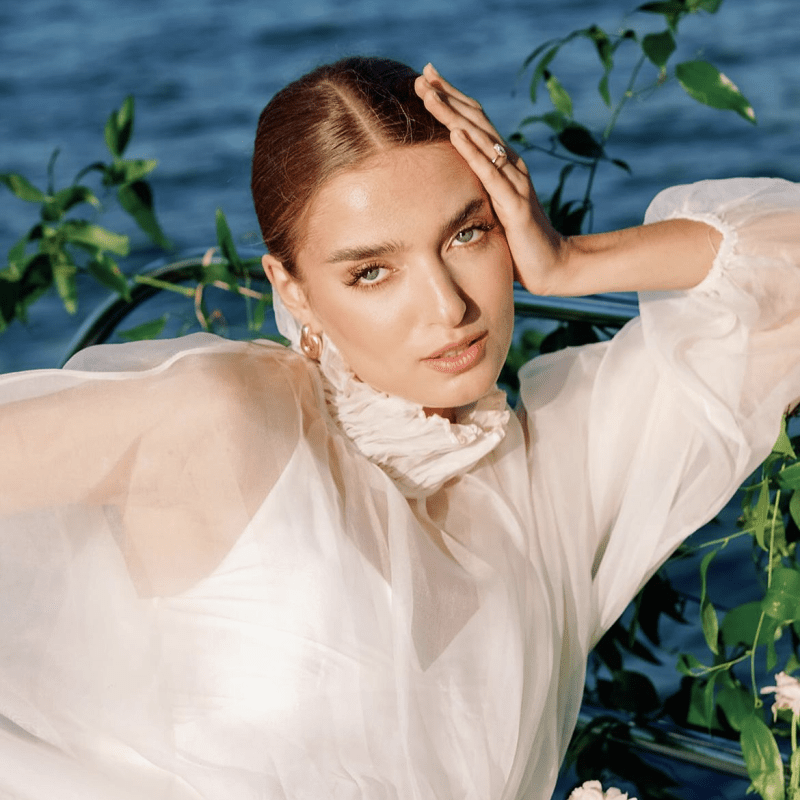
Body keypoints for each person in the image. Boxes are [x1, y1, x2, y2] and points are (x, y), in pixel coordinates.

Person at [0, 56, 798, 800]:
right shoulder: (223, 421)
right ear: (294, 289)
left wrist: (572, 262)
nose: (447, 307)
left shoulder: (559, 468)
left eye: (467, 234)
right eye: (372, 272)